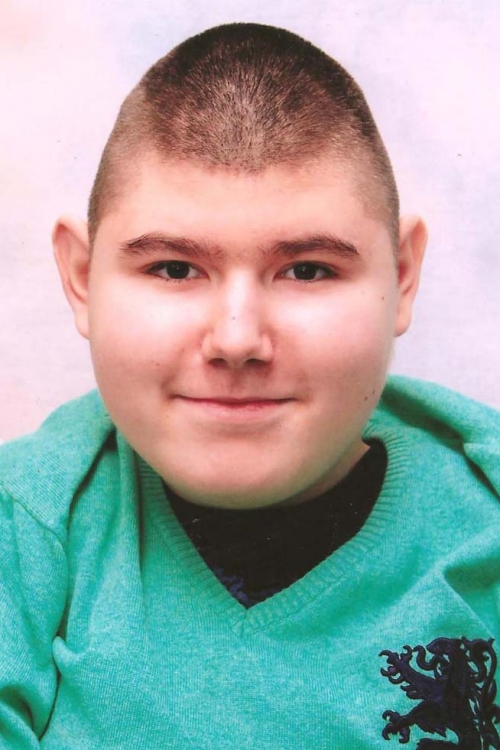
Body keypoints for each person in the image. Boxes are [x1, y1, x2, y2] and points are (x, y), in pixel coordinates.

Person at [1, 22, 500, 749]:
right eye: (174, 268)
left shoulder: (484, 526)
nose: (237, 339)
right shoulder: (23, 533)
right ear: (82, 278)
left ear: (400, 278)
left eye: (307, 270)